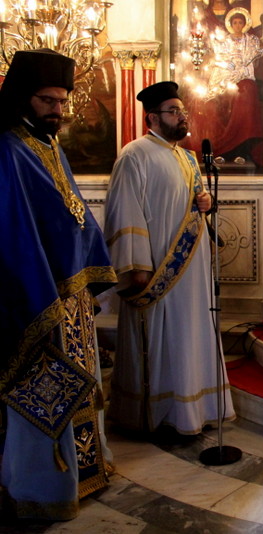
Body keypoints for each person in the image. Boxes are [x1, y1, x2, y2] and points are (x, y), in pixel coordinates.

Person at [0, 49, 117, 521]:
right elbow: (16, 236)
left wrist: (89, 272)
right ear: (23, 97)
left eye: (63, 101)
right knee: (44, 392)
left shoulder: (50, 146)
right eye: (47, 100)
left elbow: (76, 214)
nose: (58, 110)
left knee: (79, 388)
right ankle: (40, 489)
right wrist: (44, 299)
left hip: (71, 299)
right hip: (40, 297)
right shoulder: (9, 150)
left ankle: (85, 471)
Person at [104, 81, 235, 436]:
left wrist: (206, 202)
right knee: (163, 338)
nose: (182, 117)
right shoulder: (134, 155)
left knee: (190, 335)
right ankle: (160, 413)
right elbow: (125, 211)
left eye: (182, 111)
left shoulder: (188, 157)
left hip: (192, 273)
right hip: (158, 269)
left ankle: (194, 408)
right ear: (153, 117)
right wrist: (137, 266)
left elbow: (195, 201)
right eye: (174, 111)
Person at [185, 7, 263, 169]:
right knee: (211, 106)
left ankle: (241, 150)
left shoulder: (250, 41)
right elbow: (218, 60)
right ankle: (219, 151)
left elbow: (252, 59)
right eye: (235, 22)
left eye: (240, 22)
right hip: (225, 79)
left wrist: (240, 69)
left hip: (243, 78)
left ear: (245, 24)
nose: (237, 25)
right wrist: (225, 67)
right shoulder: (224, 41)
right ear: (230, 24)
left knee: (246, 94)